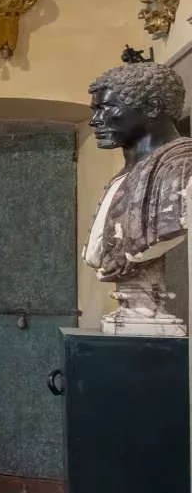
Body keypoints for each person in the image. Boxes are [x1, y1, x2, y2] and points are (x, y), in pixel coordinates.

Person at [83, 53, 192, 333]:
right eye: (95, 110)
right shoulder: (125, 176)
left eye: (107, 108)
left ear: (152, 107)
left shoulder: (181, 169)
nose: (94, 120)